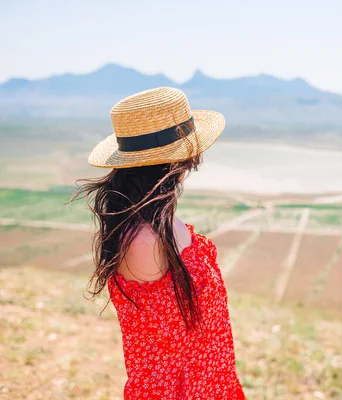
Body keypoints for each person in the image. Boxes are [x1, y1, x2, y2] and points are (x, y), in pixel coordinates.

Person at [74, 87, 245, 399]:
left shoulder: (155, 223)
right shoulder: (144, 241)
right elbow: (165, 352)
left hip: (207, 381)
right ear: (180, 159)